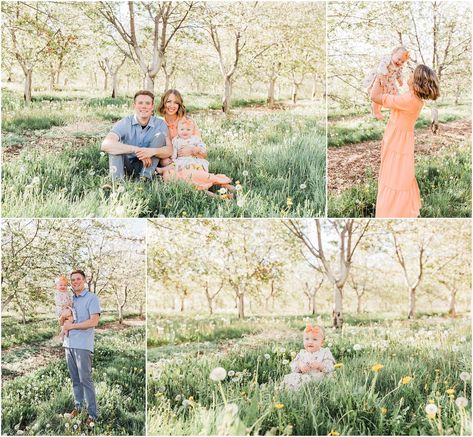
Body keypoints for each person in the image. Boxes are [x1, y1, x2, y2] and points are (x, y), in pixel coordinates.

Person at [370, 64, 440, 218]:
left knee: (392, 179)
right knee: (396, 178)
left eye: (412, 73)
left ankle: (389, 212)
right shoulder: (413, 98)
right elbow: (391, 95)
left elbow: (374, 97)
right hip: (399, 143)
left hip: (397, 145)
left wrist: (379, 75)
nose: (409, 74)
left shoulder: (409, 100)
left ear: (417, 80)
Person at [157, 89, 234, 197]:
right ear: (163, 103)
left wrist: (193, 151)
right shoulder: (158, 123)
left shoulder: (187, 123)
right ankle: (216, 189)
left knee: (187, 171)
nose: (172, 105)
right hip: (173, 162)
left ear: (180, 105)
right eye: (168, 101)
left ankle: (219, 184)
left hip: (193, 161)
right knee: (169, 173)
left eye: (176, 102)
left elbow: (203, 153)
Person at [101, 90, 172, 181]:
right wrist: (136, 150)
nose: (144, 106)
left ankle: (145, 178)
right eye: (140, 103)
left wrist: (151, 151)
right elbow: (105, 145)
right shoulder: (125, 122)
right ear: (134, 105)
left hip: (149, 166)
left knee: (160, 136)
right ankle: (117, 183)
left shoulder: (160, 124)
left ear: (152, 106)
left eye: (147, 103)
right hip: (127, 166)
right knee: (114, 147)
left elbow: (169, 150)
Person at [62, 270, 101, 426]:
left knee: (85, 380)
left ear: (84, 280)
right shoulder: (70, 300)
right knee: (75, 380)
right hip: (69, 344)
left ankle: (92, 414)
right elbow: (63, 321)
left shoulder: (92, 298)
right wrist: (64, 322)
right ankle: (78, 407)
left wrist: (72, 326)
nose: (75, 282)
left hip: (83, 346)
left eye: (78, 279)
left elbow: (93, 322)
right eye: (73, 280)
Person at [282, 324, 335, 390]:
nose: (310, 342)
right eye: (307, 339)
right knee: (294, 377)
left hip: (320, 378)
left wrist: (320, 365)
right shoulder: (302, 353)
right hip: (305, 377)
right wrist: (300, 365)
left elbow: (331, 366)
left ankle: (305, 388)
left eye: (314, 339)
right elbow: (293, 365)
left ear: (322, 343)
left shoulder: (325, 352)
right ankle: (290, 389)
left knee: (328, 377)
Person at [363, 46, 409, 119]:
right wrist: (382, 78)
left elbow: (399, 73)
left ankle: (396, 110)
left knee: (390, 96)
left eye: (402, 61)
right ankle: (376, 111)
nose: (399, 62)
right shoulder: (387, 59)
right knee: (377, 95)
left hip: (390, 82)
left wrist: (400, 80)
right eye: (399, 59)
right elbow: (381, 67)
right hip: (381, 77)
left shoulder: (400, 66)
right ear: (393, 53)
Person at [54, 275, 74, 341]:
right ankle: (63, 331)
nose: (63, 286)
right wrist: (66, 304)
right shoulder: (57, 293)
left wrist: (71, 303)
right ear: (56, 286)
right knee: (66, 319)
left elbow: (70, 299)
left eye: (65, 285)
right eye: (61, 285)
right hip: (61, 309)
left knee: (70, 319)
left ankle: (64, 331)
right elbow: (58, 302)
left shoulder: (67, 292)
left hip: (67, 308)